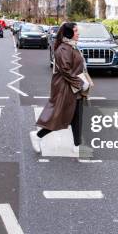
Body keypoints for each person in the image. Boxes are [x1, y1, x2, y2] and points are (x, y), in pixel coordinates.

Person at [31, 22, 89, 155]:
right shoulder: (64, 49)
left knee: (77, 116)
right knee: (58, 117)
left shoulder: (72, 47)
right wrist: (80, 83)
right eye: (75, 31)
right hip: (65, 88)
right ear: (69, 33)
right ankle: (37, 136)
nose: (78, 33)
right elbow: (65, 71)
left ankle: (76, 145)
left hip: (74, 87)